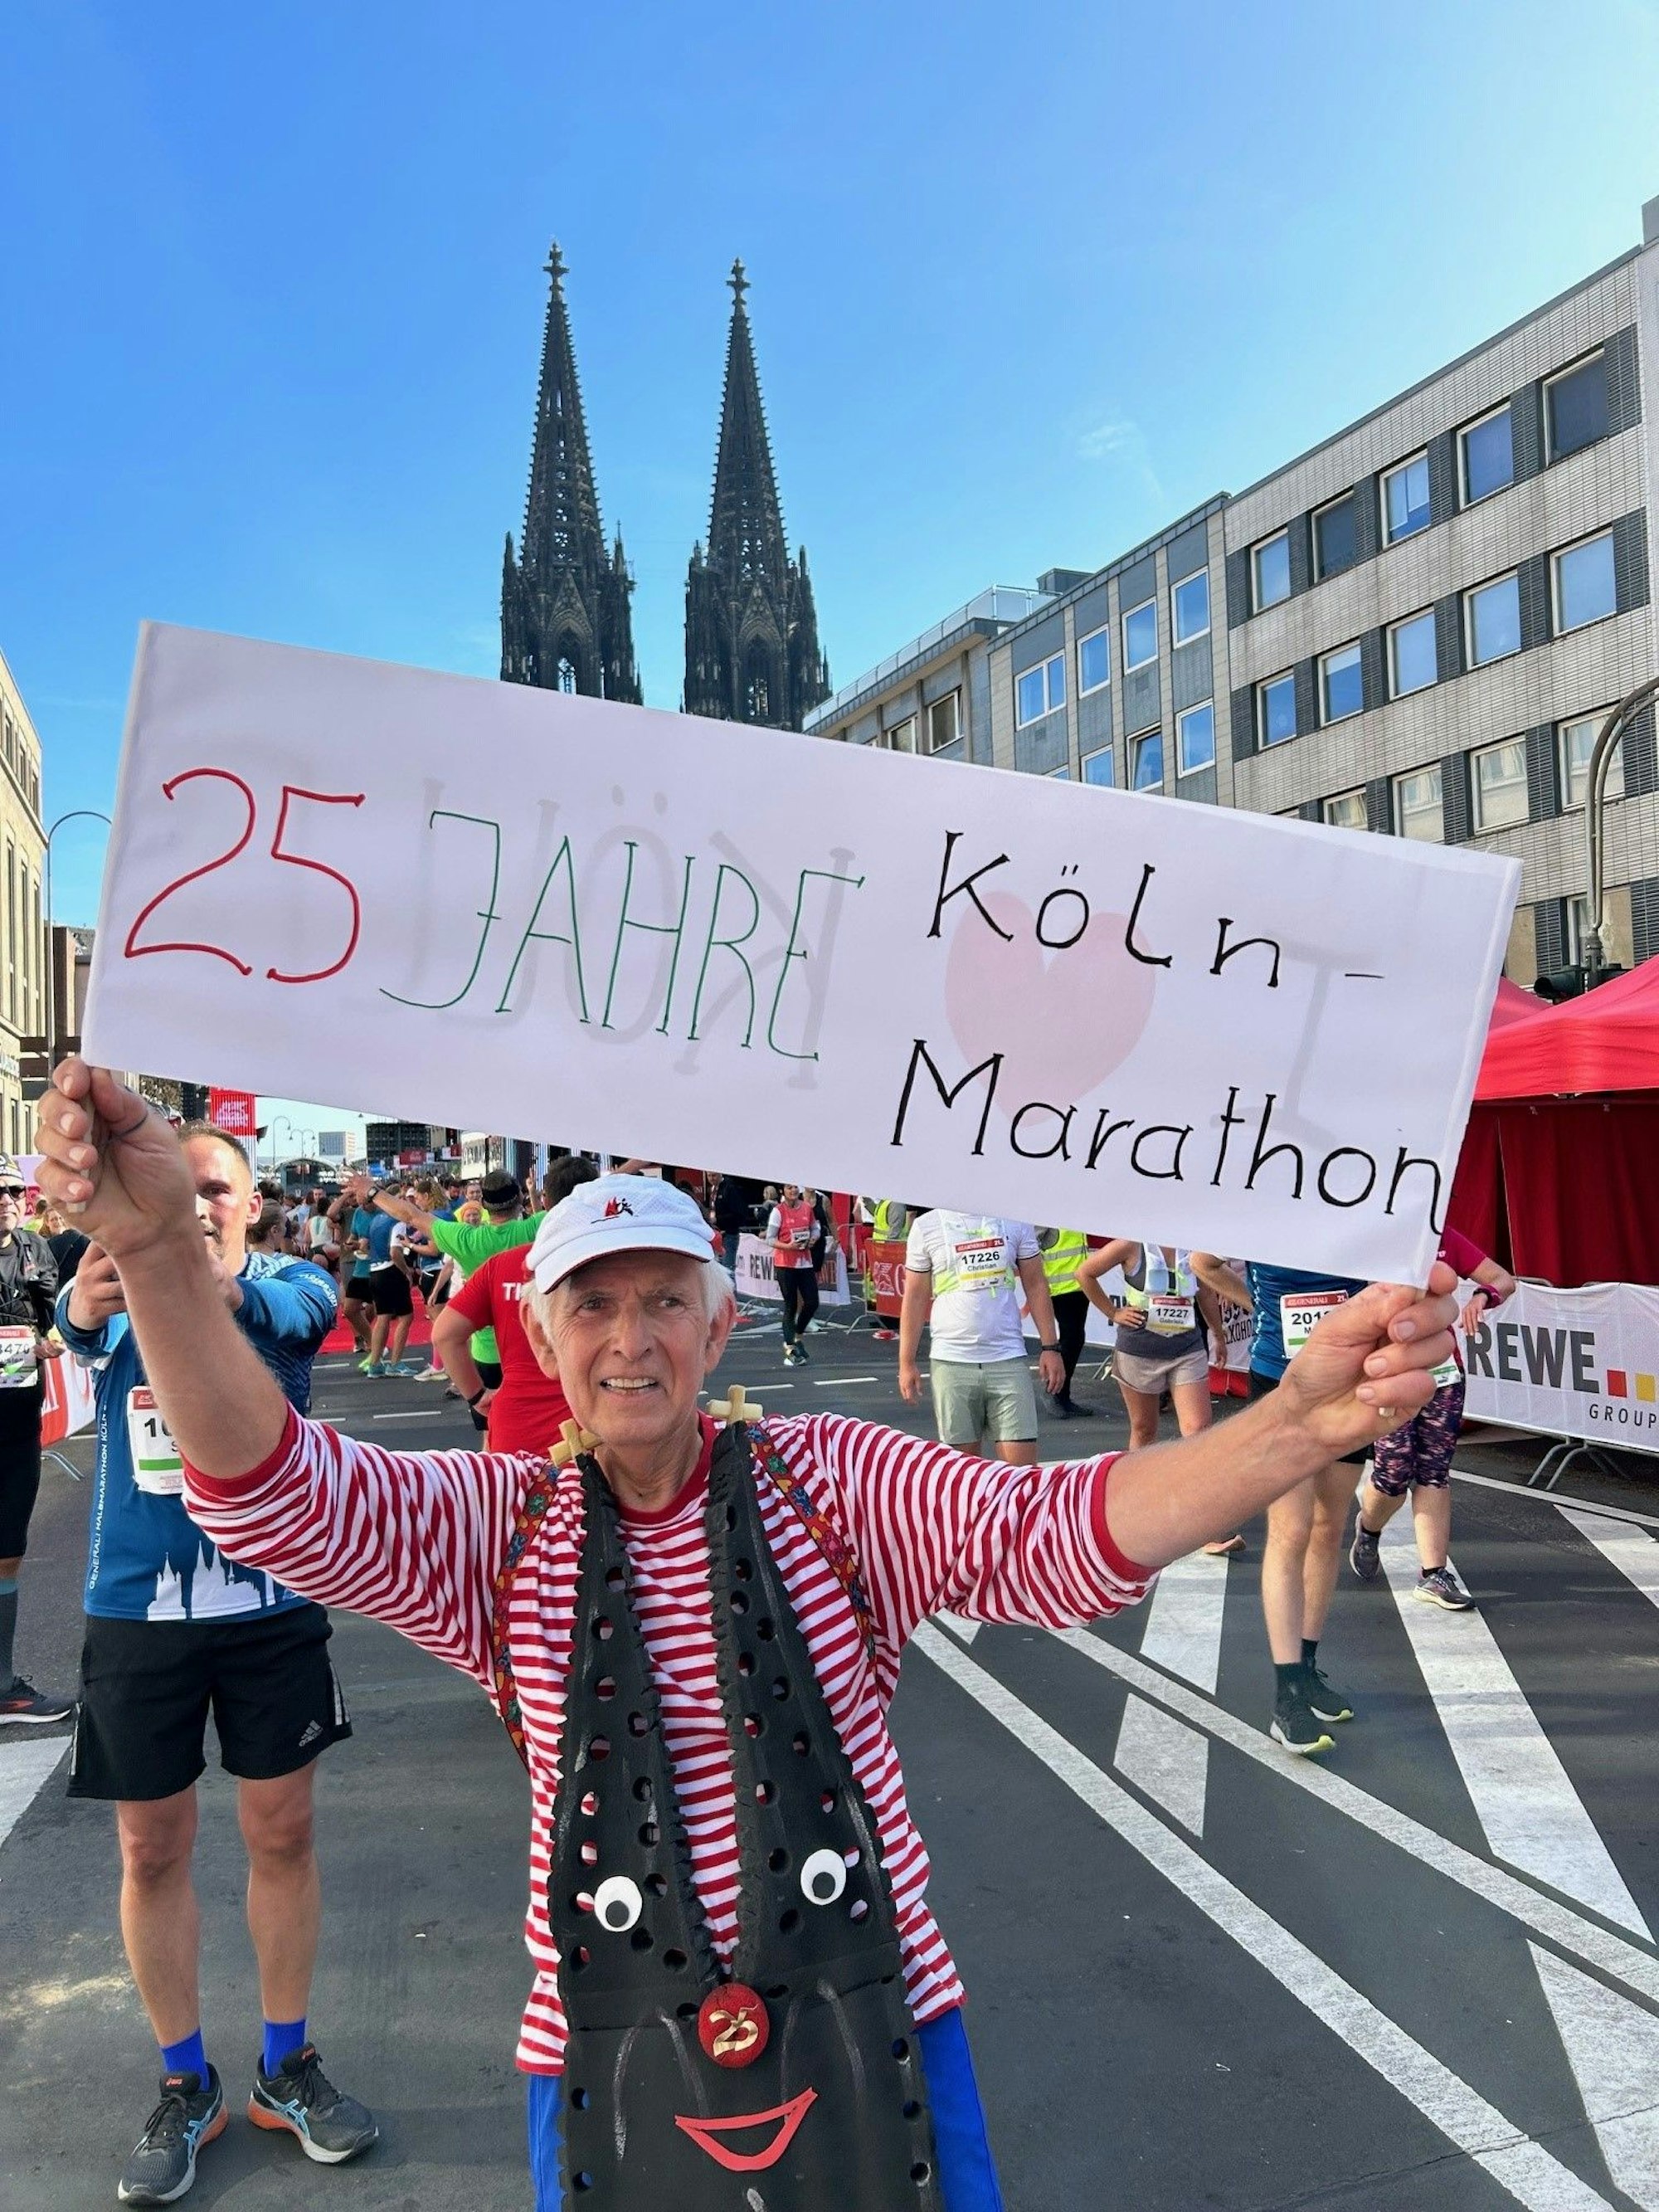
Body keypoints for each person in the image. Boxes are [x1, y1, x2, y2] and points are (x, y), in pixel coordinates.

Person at [34, 1059, 1457, 2212]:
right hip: (599, 2044)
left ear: (719, 1334)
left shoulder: (829, 1481)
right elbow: (276, 1495)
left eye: (666, 1300)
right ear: (543, 1338)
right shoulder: (498, 1526)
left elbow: (1057, 1536)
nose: (631, 1338)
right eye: (594, 1304)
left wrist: (1303, 1422)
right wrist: (159, 1250)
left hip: (878, 2016)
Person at [54, 1115, 374, 2205]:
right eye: (174, 1185)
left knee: (283, 1826)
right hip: (136, 1609)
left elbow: (296, 1315)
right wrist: (99, 1293)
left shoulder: (287, 1277)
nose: (193, 1204)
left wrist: (204, 1278)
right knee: (152, 1845)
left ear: (249, 1201)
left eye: (216, 1189)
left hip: (271, 1603)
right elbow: (80, 1327)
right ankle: (184, 2080)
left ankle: (287, 2062)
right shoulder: (111, 1276)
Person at [1194, 1256, 1370, 1756]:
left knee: (1328, 1527)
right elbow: (1203, 1261)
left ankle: (1308, 1669)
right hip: (1282, 1381)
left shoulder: (1364, 1199)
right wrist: (1258, 1303)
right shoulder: (1276, 1203)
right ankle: (1287, 1690)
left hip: (1348, 1384)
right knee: (1291, 1530)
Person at [1349, 1229, 1516, 1609]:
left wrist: (1482, 1297)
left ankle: (1433, 1575)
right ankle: (1369, 1528)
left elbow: (1503, 1280)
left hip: (1444, 1376)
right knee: (1392, 1475)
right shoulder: (1366, 1236)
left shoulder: (1447, 1239)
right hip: (1389, 1377)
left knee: (1433, 1472)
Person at [1082, 1240, 1241, 1556]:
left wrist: (1218, 1336)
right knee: (1144, 1431)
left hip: (1186, 1350)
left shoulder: (1193, 1245)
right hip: (1139, 1351)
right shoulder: (1131, 1244)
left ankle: (1207, 1526)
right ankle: (1136, 1510)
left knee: (1198, 1434)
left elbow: (1206, 1292)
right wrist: (1113, 1312)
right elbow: (1085, 1273)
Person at [429, 1157, 596, 1448]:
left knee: (500, 1479)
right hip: (594, 1424)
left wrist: (478, 1396)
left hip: (516, 1423)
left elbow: (444, 1335)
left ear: (547, 1201)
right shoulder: (617, 1263)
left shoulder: (500, 1265)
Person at [372, 1167, 544, 1416]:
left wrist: (370, 1190)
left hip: (487, 1352)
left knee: (492, 1432)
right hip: (535, 1349)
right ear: (519, 1198)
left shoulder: (465, 1238)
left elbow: (410, 1215)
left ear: (483, 1204)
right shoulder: (538, 1228)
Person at [899, 1211, 1065, 1466]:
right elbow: (915, 1297)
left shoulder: (1015, 1220)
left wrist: (1051, 1347)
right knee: (963, 1475)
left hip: (1008, 1359)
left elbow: (1036, 1284)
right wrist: (906, 1362)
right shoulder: (926, 1226)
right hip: (951, 1362)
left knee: (1021, 1473)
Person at [0, 1156, 71, 1726]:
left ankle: (4, 1687)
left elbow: (54, 1319)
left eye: (12, 1190)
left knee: (7, 1554)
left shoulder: (34, 1250)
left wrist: (50, 1339)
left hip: (18, 1420)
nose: (6, 1200)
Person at [1037, 1228, 1095, 1420]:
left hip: (1077, 1285)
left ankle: (1062, 1396)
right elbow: (1032, 1243)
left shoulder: (1073, 1215)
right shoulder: (1048, 1214)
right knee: (1071, 1339)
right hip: (1060, 1288)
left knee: (1075, 1338)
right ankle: (1055, 1392)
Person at [767, 1184, 820, 1367]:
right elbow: (770, 1238)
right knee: (790, 1305)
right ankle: (790, 1347)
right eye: (789, 1188)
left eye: (795, 1188)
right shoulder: (778, 1212)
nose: (793, 1191)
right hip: (785, 1263)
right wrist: (787, 1246)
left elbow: (815, 1227)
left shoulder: (806, 1208)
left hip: (805, 1262)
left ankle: (797, 1335)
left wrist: (814, 1238)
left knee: (812, 1302)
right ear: (783, 1191)